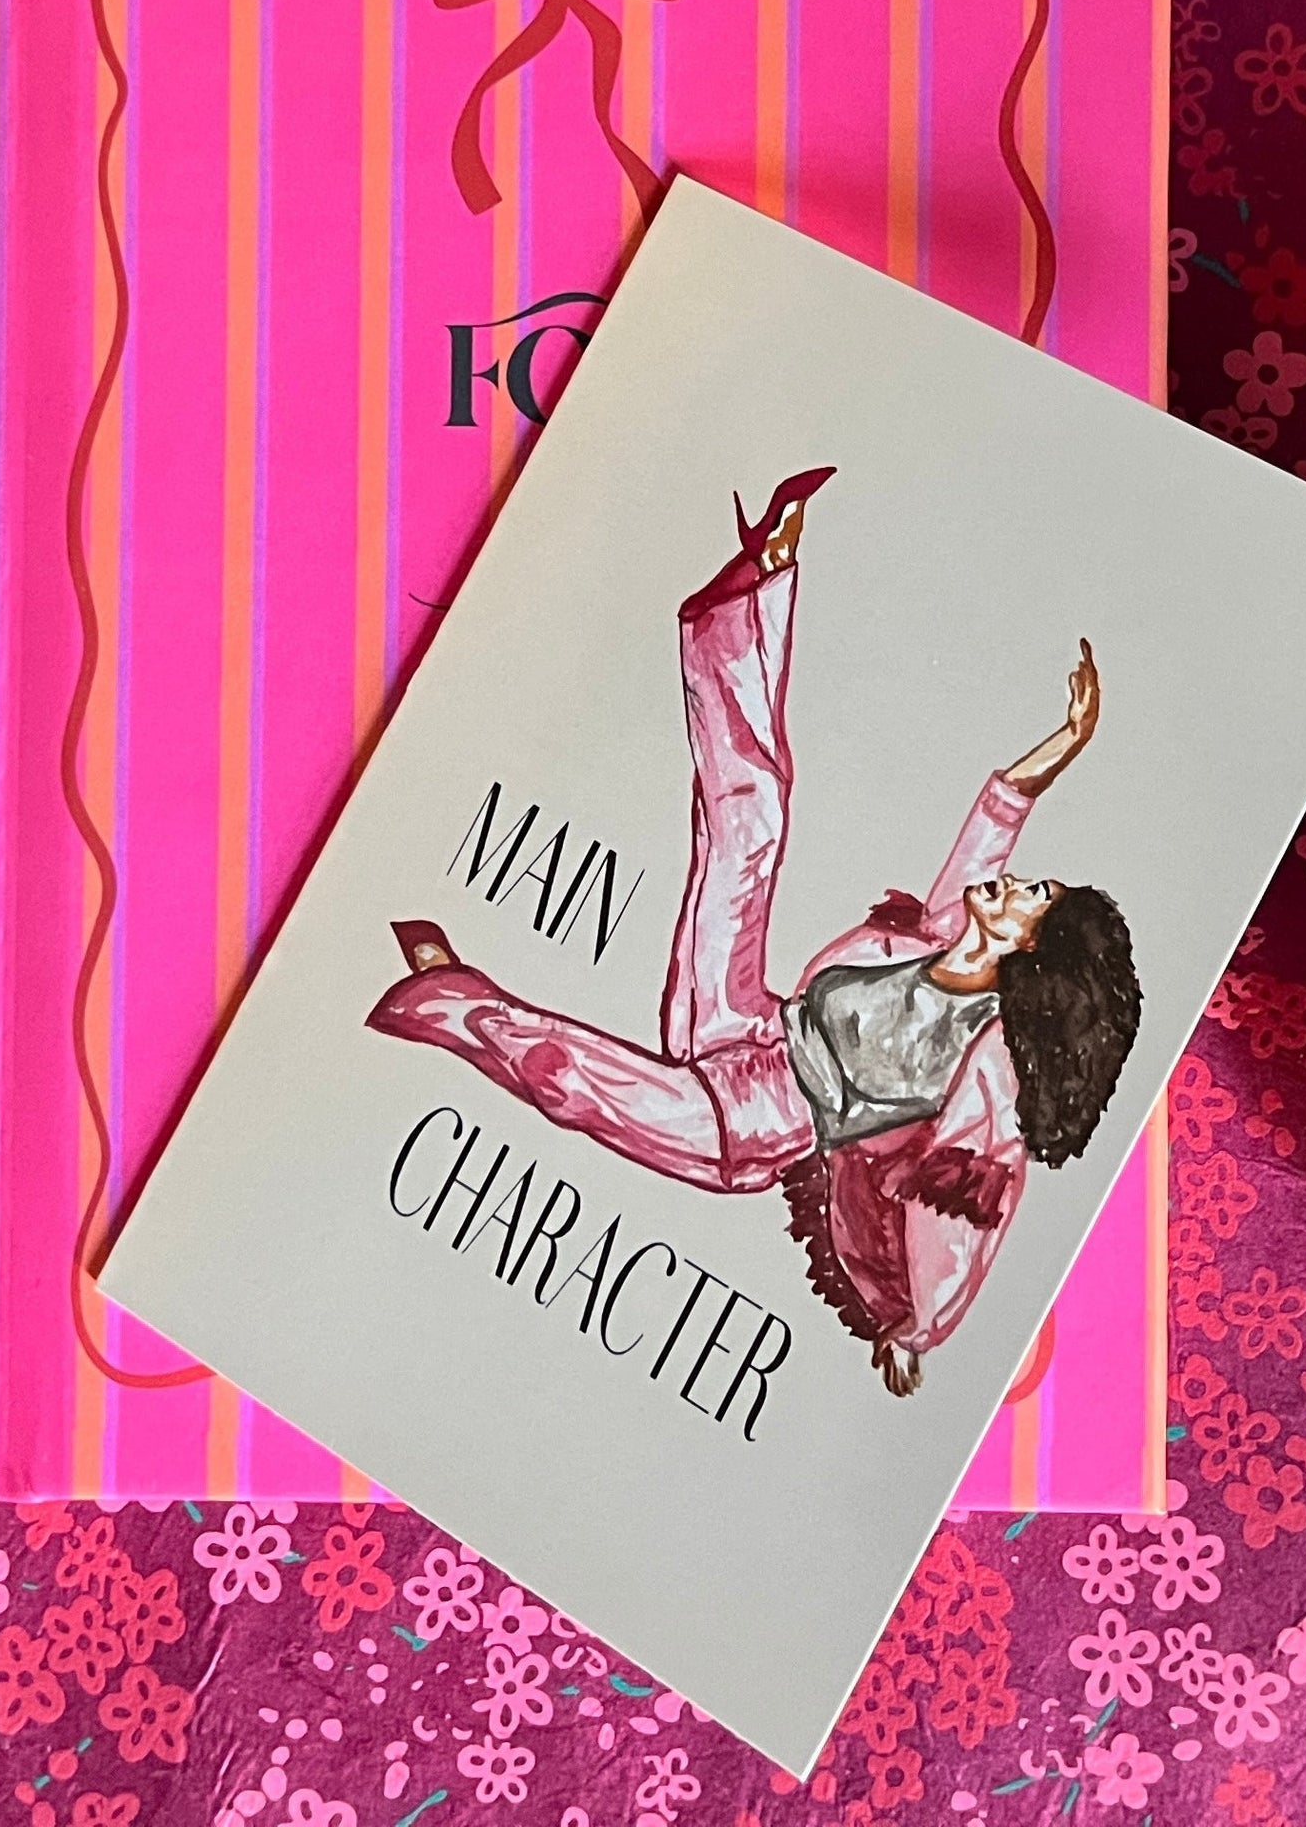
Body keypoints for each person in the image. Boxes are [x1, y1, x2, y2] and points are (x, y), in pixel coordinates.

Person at [372, 467, 1142, 1398]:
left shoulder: (987, 1072)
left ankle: (445, 997)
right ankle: (753, 587)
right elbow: (998, 812)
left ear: (1033, 954)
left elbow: (972, 1219)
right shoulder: (940, 937)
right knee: (752, 815)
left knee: (570, 1080)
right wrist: (1067, 743)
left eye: (1032, 898)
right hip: (742, 1019)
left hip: (751, 1126)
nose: (1012, 881)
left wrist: (914, 1332)